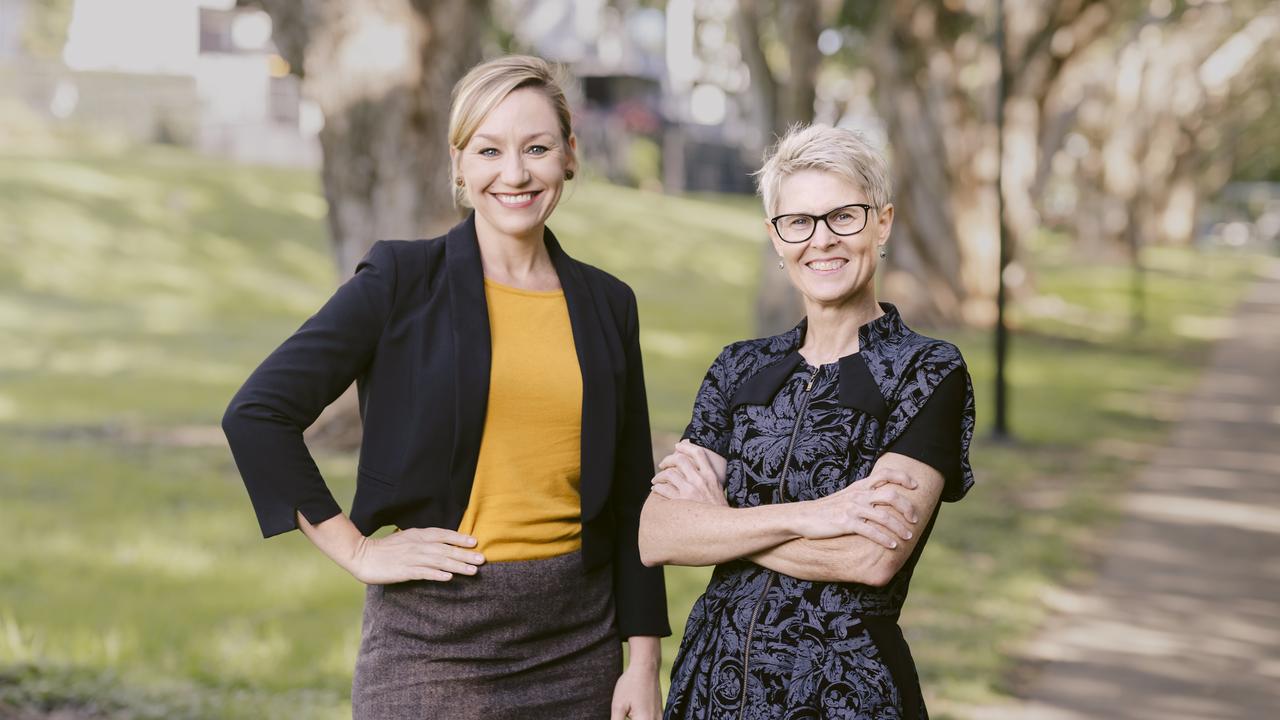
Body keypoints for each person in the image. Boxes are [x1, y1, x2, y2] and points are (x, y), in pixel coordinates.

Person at [222, 55, 668, 719]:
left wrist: (643, 663)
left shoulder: (608, 303)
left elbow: (633, 490)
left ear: (570, 156)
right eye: (488, 150)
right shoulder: (402, 280)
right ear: (459, 165)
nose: (514, 173)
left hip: (581, 644)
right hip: (431, 645)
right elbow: (258, 414)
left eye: (537, 148)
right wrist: (357, 551)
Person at [638, 123, 975, 720]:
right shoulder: (739, 367)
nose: (821, 240)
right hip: (711, 687)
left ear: (883, 221)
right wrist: (815, 516)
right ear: (777, 237)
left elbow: (869, 558)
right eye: (798, 222)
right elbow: (659, 533)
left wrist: (719, 523)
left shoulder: (927, 372)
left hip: (845, 693)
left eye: (843, 216)